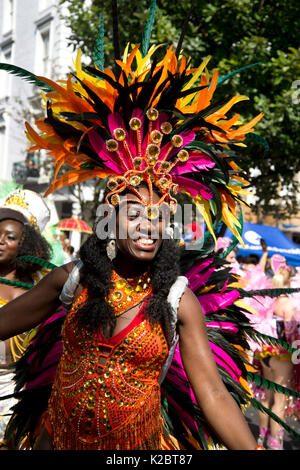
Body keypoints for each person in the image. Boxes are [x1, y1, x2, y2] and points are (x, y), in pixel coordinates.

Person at [0, 2, 274, 450]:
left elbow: (213, 394)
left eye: (161, 215)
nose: (149, 224)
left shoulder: (177, 300)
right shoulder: (71, 281)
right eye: (134, 212)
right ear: (108, 219)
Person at [0, 189, 51, 442]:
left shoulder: (44, 284)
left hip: (22, 395)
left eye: (10, 236)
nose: (0, 240)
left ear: (27, 243)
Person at [256, 255, 299, 449]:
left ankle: (261, 437)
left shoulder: (269, 300)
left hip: (265, 354)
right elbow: (292, 338)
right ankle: (276, 443)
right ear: (289, 281)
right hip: (282, 357)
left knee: (266, 397)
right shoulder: (288, 306)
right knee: (279, 404)